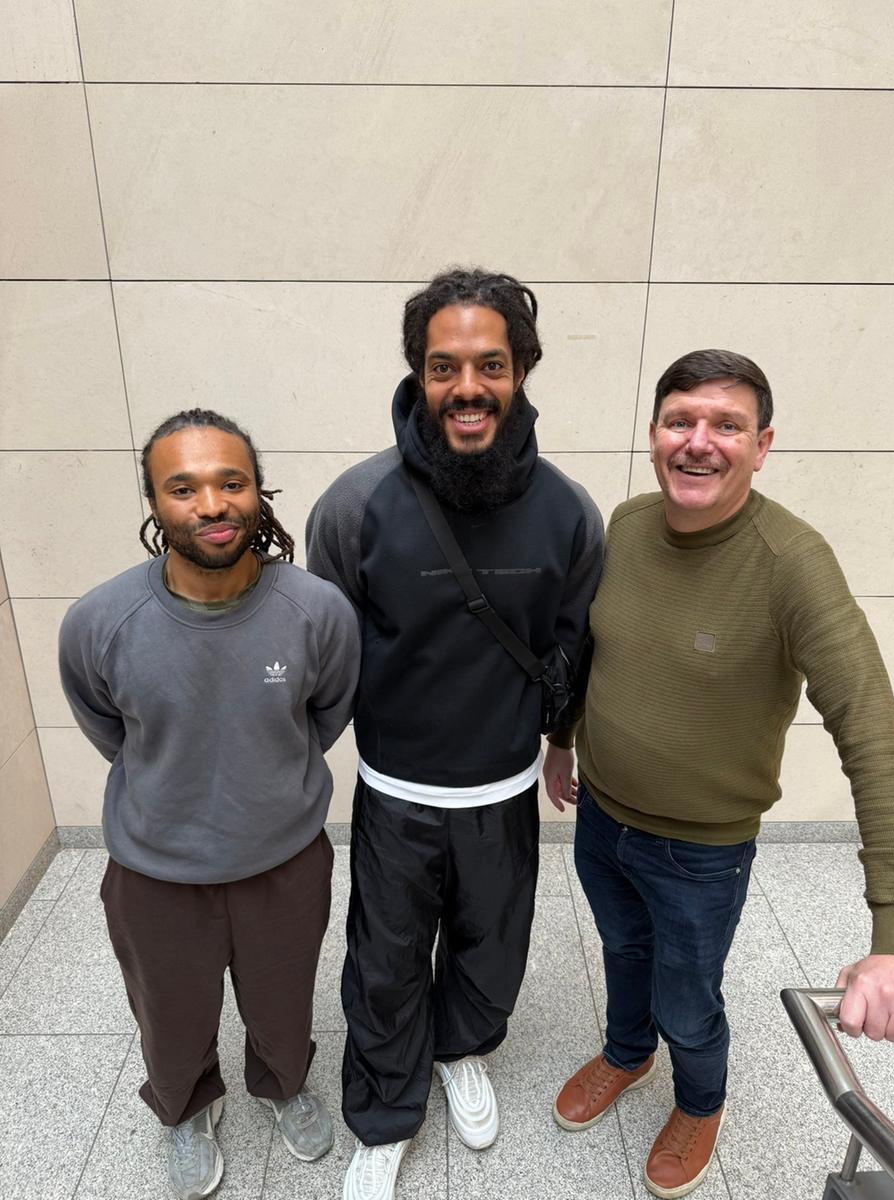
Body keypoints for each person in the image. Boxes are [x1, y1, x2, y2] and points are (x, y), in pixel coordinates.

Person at [545, 349, 894, 1198]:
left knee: (688, 994)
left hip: (699, 853)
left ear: (762, 445)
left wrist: (892, 937)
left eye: (726, 425)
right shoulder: (628, 524)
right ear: (655, 434)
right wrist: (563, 739)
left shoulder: (792, 563)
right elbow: (594, 650)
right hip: (601, 817)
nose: (698, 442)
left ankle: (700, 1101)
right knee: (623, 951)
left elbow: (873, 734)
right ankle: (627, 1053)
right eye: (681, 421)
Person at [306, 268, 604, 1200]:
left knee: (490, 947)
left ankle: (459, 1049)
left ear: (521, 372)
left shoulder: (568, 513)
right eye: (444, 367)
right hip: (396, 792)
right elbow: (327, 653)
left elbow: (570, 647)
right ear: (418, 373)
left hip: (504, 790)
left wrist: (560, 743)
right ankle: (386, 1113)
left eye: (490, 365)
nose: (467, 387)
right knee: (386, 964)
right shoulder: (355, 507)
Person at [59, 410, 360, 1200]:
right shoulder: (99, 622)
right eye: (183, 487)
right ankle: (187, 1108)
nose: (213, 504)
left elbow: (324, 716)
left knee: (283, 1002)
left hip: (284, 862)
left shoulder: (318, 611)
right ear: (154, 504)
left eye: (232, 482)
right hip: (156, 871)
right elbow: (110, 729)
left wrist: (264, 780)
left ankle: (283, 1087)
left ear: (259, 492)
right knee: (170, 1013)